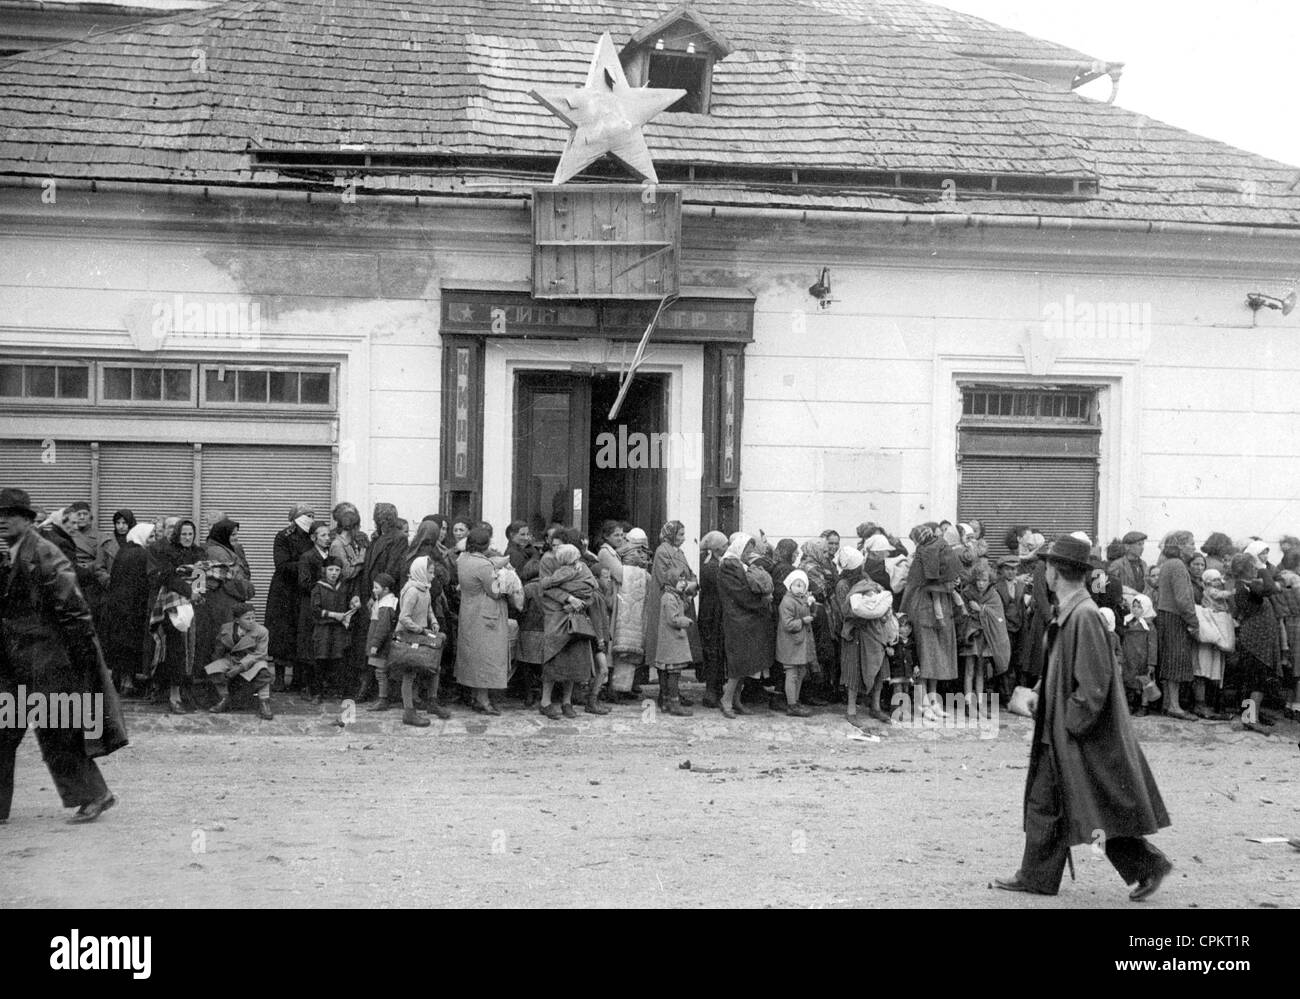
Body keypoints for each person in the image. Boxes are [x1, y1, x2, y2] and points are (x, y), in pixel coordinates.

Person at [994, 534, 1172, 901]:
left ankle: (1147, 865)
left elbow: (1092, 687)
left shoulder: (1085, 614)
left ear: (1054, 573)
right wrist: (1043, 693)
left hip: (1074, 734)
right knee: (1051, 802)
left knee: (1092, 806)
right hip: (1061, 729)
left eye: (1045, 567)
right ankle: (1037, 875)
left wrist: (1067, 726)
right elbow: (1066, 668)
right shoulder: (1074, 610)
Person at [0, 487, 127, 824]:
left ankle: (96, 795)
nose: (1, 521)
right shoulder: (13, 553)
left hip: (49, 661)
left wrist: (82, 659)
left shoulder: (42, 552)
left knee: (57, 731)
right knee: (4, 729)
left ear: (27, 520)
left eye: (8, 515)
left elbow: (73, 608)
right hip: (18, 661)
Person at [456, 527, 521, 715]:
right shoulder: (484, 565)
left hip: (469, 610)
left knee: (473, 655)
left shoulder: (464, 559)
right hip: (486, 613)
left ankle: (476, 695)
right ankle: (483, 700)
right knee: (486, 656)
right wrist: (503, 573)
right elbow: (495, 590)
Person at [902, 524, 962, 718]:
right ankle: (924, 703)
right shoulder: (934, 551)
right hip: (928, 609)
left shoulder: (923, 554)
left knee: (934, 655)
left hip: (931, 607)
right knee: (926, 655)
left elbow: (913, 584)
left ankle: (933, 701)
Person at [147, 518, 204, 713]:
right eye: (184, 534)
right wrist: (189, 592)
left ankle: (187, 692)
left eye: (190, 534)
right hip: (174, 606)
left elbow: (202, 576)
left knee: (192, 648)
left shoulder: (198, 552)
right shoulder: (168, 552)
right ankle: (174, 695)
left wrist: (198, 592)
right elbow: (168, 577)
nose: (187, 538)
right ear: (177, 535)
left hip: (195, 606)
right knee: (176, 649)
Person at [716, 532, 774, 719]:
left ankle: (736, 700)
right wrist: (763, 601)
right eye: (748, 548)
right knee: (738, 662)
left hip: (745, 619)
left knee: (745, 662)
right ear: (740, 547)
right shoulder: (729, 566)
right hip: (737, 620)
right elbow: (739, 593)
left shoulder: (738, 564)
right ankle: (726, 700)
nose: (750, 552)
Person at [537, 543, 598, 719]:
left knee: (574, 660)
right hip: (556, 617)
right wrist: (569, 598)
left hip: (576, 617)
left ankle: (567, 702)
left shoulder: (583, 567)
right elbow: (546, 588)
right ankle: (545, 702)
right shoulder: (548, 562)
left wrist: (580, 602)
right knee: (553, 657)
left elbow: (591, 589)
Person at [266, 503, 315, 692]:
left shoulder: (313, 536)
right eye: (306, 515)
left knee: (299, 633)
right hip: (284, 591)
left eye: (312, 515)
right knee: (281, 633)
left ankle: (297, 677)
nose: (310, 518)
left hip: (302, 590)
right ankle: (278, 677)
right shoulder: (283, 537)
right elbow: (282, 564)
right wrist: (306, 565)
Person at [101, 521, 154, 697]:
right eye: (150, 536)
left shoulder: (124, 551)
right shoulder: (141, 554)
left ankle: (120, 682)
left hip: (118, 606)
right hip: (133, 607)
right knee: (131, 646)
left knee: (120, 645)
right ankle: (128, 683)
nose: (152, 540)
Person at [1231, 545, 1280, 729]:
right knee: (1257, 681)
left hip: (1256, 639)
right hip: (1255, 640)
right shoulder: (1247, 585)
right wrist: (1262, 567)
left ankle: (1249, 716)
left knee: (1253, 680)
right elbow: (1270, 588)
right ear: (1248, 567)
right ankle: (1251, 719)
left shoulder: (1245, 585)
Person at [1154, 530, 1200, 720]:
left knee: (1168, 659)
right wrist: (1193, 621)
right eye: (1191, 543)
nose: (1194, 547)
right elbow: (1183, 599)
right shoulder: (1179, 565)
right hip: (1175, 617)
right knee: (1176, 661)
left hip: (1165, 615)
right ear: (1180, 546)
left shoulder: (1167, 564)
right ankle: (1174, 706)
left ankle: (1168, 703)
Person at [205, 602, 274, 720]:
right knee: (213, 669)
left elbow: (260, 653)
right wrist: (218, 662)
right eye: (247, 618)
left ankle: (264, 703)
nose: (251, 621)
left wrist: (240, 667)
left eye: (253, 618)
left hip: (253, 660)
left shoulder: (262, 631)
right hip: (232, 659)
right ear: (237, 620)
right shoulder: (226, 629)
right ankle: (224, 699)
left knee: (263, 670)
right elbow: (219, 648)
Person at [296, 521, 333, 700]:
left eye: (328, 535)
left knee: (323, 646)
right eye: (323, 535)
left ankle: (322, 686)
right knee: (310, 648)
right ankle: (309, 688)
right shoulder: (308, 557)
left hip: (327, 605)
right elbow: (303, 583)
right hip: (310, 606)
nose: (327, 538)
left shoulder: (330, 556)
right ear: (313, 538)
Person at [309, 556, 353, 703]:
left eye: (337, 570)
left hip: (339, 630)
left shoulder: (344, 587)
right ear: (324, 570)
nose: (333, 573)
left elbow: (349, 604)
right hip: (323, 629)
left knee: (338, 659)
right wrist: (334, 615)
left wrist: (353, 605)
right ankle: (317, 693)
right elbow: (315, 610)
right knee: (321, 660)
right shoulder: (318, 587)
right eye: (330, 570)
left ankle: (337, 691)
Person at [1192, 568, 1234, 719]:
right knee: (1203, 670)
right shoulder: (1210, 591)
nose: (1218, 583)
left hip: (1218, 629)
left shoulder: (1215, 591)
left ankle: (1211, 705)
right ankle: (1200, 704)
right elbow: (1220, 595)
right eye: (1215, 580)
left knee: (1214, 669)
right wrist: (1232, 592)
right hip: (1209, 627)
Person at [776, 569, 817, 717]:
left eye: (802, 585)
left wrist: (811, 606)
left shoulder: (801, 599)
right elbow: (787, 624)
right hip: (791, 643)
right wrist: (802, 621)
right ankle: (792, 704)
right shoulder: (787, 601)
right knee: (792, 673)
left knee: (801, 672)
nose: (799, 588)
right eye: (796, 584)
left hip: (799, 643)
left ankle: (795, 700)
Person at [654, 573, 696, 717]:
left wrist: (688, 600)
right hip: (672, 641)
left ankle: (666, 702)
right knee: (674, 674)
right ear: (672, 581)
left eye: (684, 580)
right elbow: (673, 619)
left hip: (669, 641)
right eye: (680, 580)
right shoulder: (669, 597)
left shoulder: (672, 595)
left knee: (666, 673)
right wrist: (686, 621)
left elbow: (679, 608)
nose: (683, 583)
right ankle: (675, 704)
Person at [695, 530, 729, 708]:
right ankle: (711, 691)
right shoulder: (711, 566)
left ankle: (715, 688)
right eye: (724, 545)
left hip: (714, 609)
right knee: (713, 650)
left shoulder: (711, 563)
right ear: (717, 548)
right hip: (712, 611)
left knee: (716, 650)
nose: (727, 548)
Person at [1119, 592, 1159, 715]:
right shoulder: (1128, 622)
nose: (1136, 609)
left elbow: (1153, 646)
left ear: (1146, 608)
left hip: (1142, 659)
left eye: (1139, 607)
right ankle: (1131, 704)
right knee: (1130, 682)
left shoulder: (1149, 626)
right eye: (1134, 606)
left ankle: (1144, 706)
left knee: (1144, 683)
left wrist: (1151, 662)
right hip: (1129, 659)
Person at [365, 572, 399, 712]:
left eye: (376, 588)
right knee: (382, 671)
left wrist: (375, 644)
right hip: (381, 644)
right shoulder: (383, 601)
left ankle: (383, 699)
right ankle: (383, 697)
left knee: (381, 672)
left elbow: (382, 627)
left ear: (386, 590)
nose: (373, 590)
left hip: (382, 646)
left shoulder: (386, 605)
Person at [1109, 531, 1149, 595]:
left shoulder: (1143, 564)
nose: (1142, 547)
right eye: (1139, 544)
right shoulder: (1117, 565)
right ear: (1127, 546)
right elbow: (1111, 587)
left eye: (1143, 544)